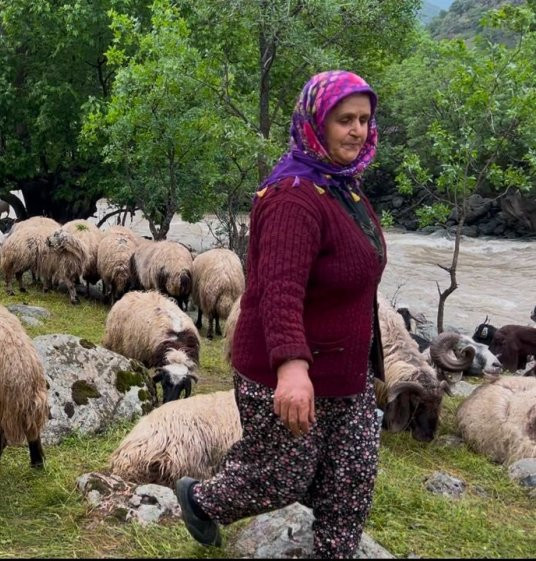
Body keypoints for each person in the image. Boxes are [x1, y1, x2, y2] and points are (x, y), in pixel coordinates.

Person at [175, 70, 388, 558]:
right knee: (282, 475)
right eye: (344, 120)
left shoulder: (344, 187)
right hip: (285, 370)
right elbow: (277, 290)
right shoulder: (294, 195)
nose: (357, 130)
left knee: (351, 478)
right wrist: (292, 368)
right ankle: (201, 500)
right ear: (316, 121)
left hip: (344, 373)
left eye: (364, 119)